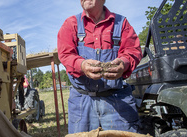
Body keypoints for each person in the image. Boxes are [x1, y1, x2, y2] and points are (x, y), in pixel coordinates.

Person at [57, 0, 142, 134]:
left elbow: (133, 50)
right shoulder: (70, 24)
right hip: (82, 102)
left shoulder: (121, 23)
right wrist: (82, 65)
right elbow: (65, 54)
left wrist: (124, 63)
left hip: (116, 99)